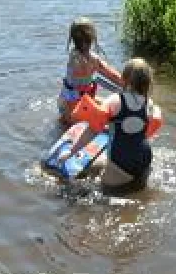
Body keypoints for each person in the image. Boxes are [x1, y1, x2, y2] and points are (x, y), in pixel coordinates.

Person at [60, 57, 162, 193]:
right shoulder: (149, 104)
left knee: (101, 194)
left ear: (124, 78)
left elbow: (92, 130)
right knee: (98, 168)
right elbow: (136, 129)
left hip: (121, 161)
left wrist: (71, 152)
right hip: (144, 159)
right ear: (148, 81)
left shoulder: (115, 100)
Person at [58, 17, 124, 124]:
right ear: (92, 38)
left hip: (66, 103)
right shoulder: (89, 59)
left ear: (72, 38)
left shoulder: (73, 55)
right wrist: (131, 87)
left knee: (103, 105)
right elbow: (113, 76)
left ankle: (66, 120)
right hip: (77, 106)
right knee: (112, 113)